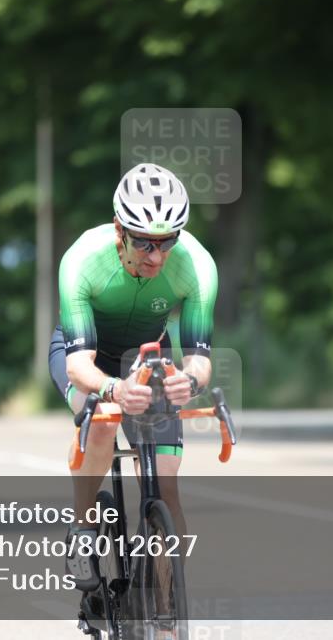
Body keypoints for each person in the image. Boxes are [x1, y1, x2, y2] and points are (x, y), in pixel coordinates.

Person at [48, 163, 218, 593]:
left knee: (165, 484)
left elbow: (200, 359)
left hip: (145, 355)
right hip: (87, 357)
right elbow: (78, 365)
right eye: (143, 242)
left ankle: (166, 613)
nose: (156, 256)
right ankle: (84, 529)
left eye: (167, 241)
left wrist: (190, 381)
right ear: (119, 229)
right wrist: (113, 389)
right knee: (103, 420)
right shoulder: (82, 261)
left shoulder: (197, 266)